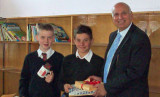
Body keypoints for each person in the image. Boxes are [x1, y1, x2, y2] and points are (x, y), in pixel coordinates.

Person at [89, 2, 151, 97]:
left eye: (124, 13)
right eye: (116, 14)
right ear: (112, 17)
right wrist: (102, 79)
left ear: (131, 15)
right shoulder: (113, 36)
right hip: (113, 92)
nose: (120, 17)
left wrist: (107, 87)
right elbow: (112, 64)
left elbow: (134, 72)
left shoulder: (140, 38)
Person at [19, 23, 64, 97]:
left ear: (53, 38)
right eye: (42, 37)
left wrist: (53, 79)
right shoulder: (29, 58)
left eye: (49, 37)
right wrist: (23, 95)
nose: (46, 41)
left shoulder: (60, 58)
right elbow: (24, 80)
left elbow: (62, 81)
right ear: (37, 37)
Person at [59, 25, 104, 97]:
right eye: (78, 40)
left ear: (91, 41)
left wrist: (101, 82)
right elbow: (60, 82)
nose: (81, 44)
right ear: (74, 41)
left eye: (85, 40)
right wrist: (64, 86)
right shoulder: (67, 60)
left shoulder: (100, 62)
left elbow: (105, 84)